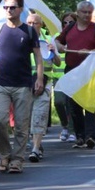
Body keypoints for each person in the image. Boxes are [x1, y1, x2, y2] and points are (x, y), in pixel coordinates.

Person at [0, 0, 44, 174]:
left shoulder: (29, 31)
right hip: (1, 84)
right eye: (6, 7)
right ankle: (4, 154)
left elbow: (38, 57)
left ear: (20, 9)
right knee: (0, 120)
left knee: (22, 125)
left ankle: (17, 159)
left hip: (23, 84)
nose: (8, 10)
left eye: (12, 7)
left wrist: (39, 78)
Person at [55, 1, 95, 149]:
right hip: (72, 70)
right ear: (77, 13)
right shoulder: (70, 28)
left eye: (89, 12)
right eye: (84, 12)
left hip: (90, 71)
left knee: (90, 104)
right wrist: (60, 46)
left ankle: (90, 136)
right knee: (73, 105)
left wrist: (90, 51)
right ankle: (79, 136)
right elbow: (58, 41)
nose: (87, 15)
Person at [26, 13, 61, 162]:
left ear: (41, 25)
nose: (32, 26)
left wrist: (53, 52)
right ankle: (33, 143)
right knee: (26, 118)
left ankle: (35, 148)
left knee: (39, 116)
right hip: (25, 84)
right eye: (29, 23)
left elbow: (58, 63)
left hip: (44, 84)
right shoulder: (22, 39)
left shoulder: (48, 40)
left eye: (35, 23)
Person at [54, 12, 76, 143]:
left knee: (71, 104)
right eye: (65, 23)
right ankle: (65, 126)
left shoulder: (77, 38)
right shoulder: (56, 38)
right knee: (59, 102)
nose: (67, 25)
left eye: (71, 22)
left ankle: (73, 130)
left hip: (73, 75)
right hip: (58, 76)